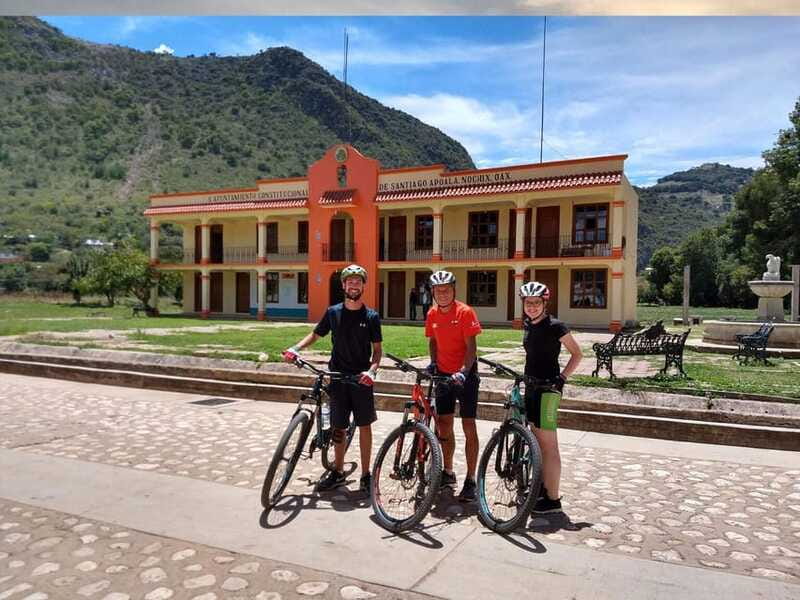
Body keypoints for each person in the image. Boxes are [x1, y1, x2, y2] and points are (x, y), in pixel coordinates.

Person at [283, 264, 382, 494]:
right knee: (339, 427)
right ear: (344, 285)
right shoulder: (333, 312)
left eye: (358, 281)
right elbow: (316, 334)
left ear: (363, 286)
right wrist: (296, 348)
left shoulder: (371, 316)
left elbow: (377, 351)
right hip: (337, 376)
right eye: (350, 281)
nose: (354, 285)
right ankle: (337, 470)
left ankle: (366, 474)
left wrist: (372, 371)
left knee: (365, 426)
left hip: (361, 379)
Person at [519, 281, 583, 514]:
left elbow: (577, 354)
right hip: (532, 386)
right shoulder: (529, 325)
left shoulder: (556, 326)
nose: (532, 307)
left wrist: (562, 378)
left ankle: (553, 499)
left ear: (545, 303)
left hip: (548, 390)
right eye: (528, 303)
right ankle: (544, 488)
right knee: (537, 441)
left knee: (549, 446)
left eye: (536, 303)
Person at [424, 270, 481, 501]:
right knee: (444, 425)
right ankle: (447, 472)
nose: (443, 293)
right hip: (444, 376)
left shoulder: (465, 312)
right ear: (433, 292)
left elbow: (471, 347)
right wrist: (433, 363)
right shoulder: (432, 314)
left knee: (469, 425)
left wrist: (465, 371)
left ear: (453, 290)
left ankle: (471, 479)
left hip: (465, 376)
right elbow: (433, 341)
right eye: (439, 290)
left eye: (447, 289)